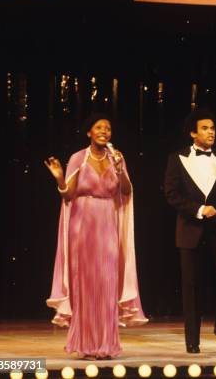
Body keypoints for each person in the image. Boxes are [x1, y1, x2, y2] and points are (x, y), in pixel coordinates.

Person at [45, 113, 147, 360]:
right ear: (89, 132)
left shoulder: (117, 158)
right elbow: (68, 195)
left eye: (108, 128)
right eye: (99, 127)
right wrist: (59, 177)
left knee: (107, 284)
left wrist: (121, 171)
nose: (104, 131)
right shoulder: (78, 158)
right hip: (83, 227)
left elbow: (126, 192)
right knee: (86, 286)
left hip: (107, 226)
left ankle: (107, 344)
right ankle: (86, 344)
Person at [164, 108, 216, 354]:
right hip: (191, 227)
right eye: (205, 128)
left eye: (213, 128)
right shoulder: (177, 158)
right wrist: (199, 209)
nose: (211, 132)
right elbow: (172, 194)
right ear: (193, 133)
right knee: (191, 286)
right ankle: (192, 341)